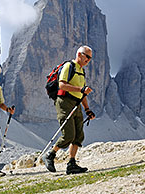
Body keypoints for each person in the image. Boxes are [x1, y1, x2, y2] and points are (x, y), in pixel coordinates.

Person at [43, 46, 95, 174]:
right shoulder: (69, 66)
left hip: (76, 104)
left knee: (78, 136)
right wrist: (81, 89)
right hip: (64, 102)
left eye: (90, 58)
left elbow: (83, 94)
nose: (88, 60)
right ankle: (50, 155)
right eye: (87, 56)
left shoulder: (81, 71)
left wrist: (87, 109)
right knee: (68, 135)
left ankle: (71, 164)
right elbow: (62, 85)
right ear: (79, 54)